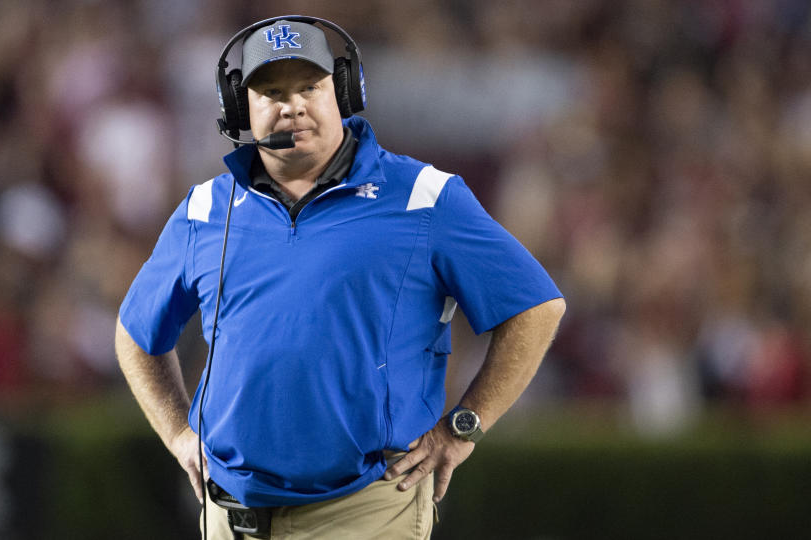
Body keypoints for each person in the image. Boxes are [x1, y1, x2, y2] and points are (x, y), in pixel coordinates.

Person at [115, 15, 565, 539]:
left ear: (344, 92)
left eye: (311, 86)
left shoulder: (424, 195)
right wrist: (176, 433)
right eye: (271, 91)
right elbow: (135, 335)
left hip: (366, 510)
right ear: (241, 108)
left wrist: (463, 426)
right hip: (231, 514)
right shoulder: (206, 209)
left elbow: (535, 308)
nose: (293, 105)